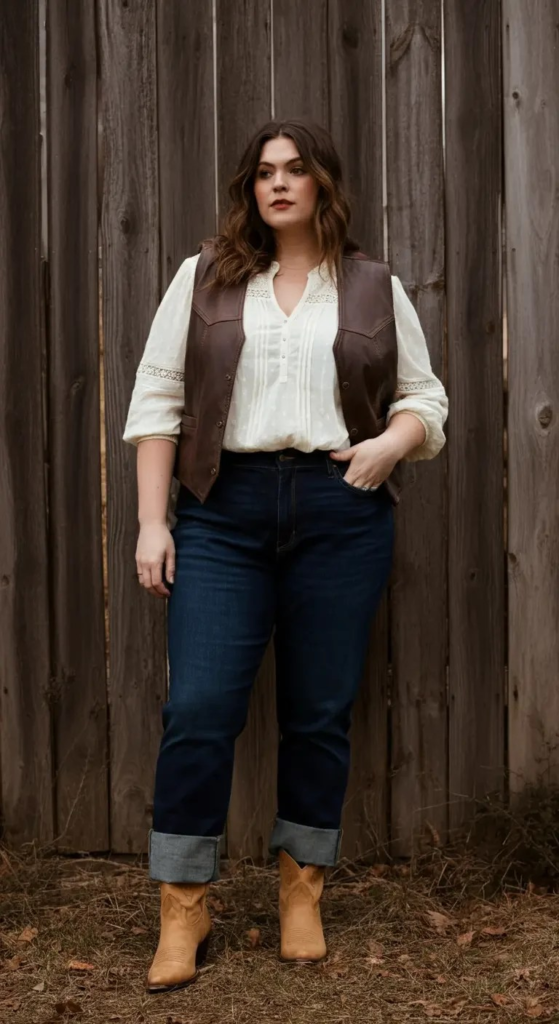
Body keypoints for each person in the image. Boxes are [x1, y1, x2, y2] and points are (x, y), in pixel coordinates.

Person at [122, 118, 448, 995]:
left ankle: (301, 892)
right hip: (221, 513)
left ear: (321, 183)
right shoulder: (202, 277)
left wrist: (387, 447)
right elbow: (158, 399)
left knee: (318, 712)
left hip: (339, 514)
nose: (277, 183)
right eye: (264, 171)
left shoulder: (374, 286)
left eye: (294, 170)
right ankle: (183, 908)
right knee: (198, 708)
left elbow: (424, 399)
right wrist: (153, 524)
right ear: (249, 187)